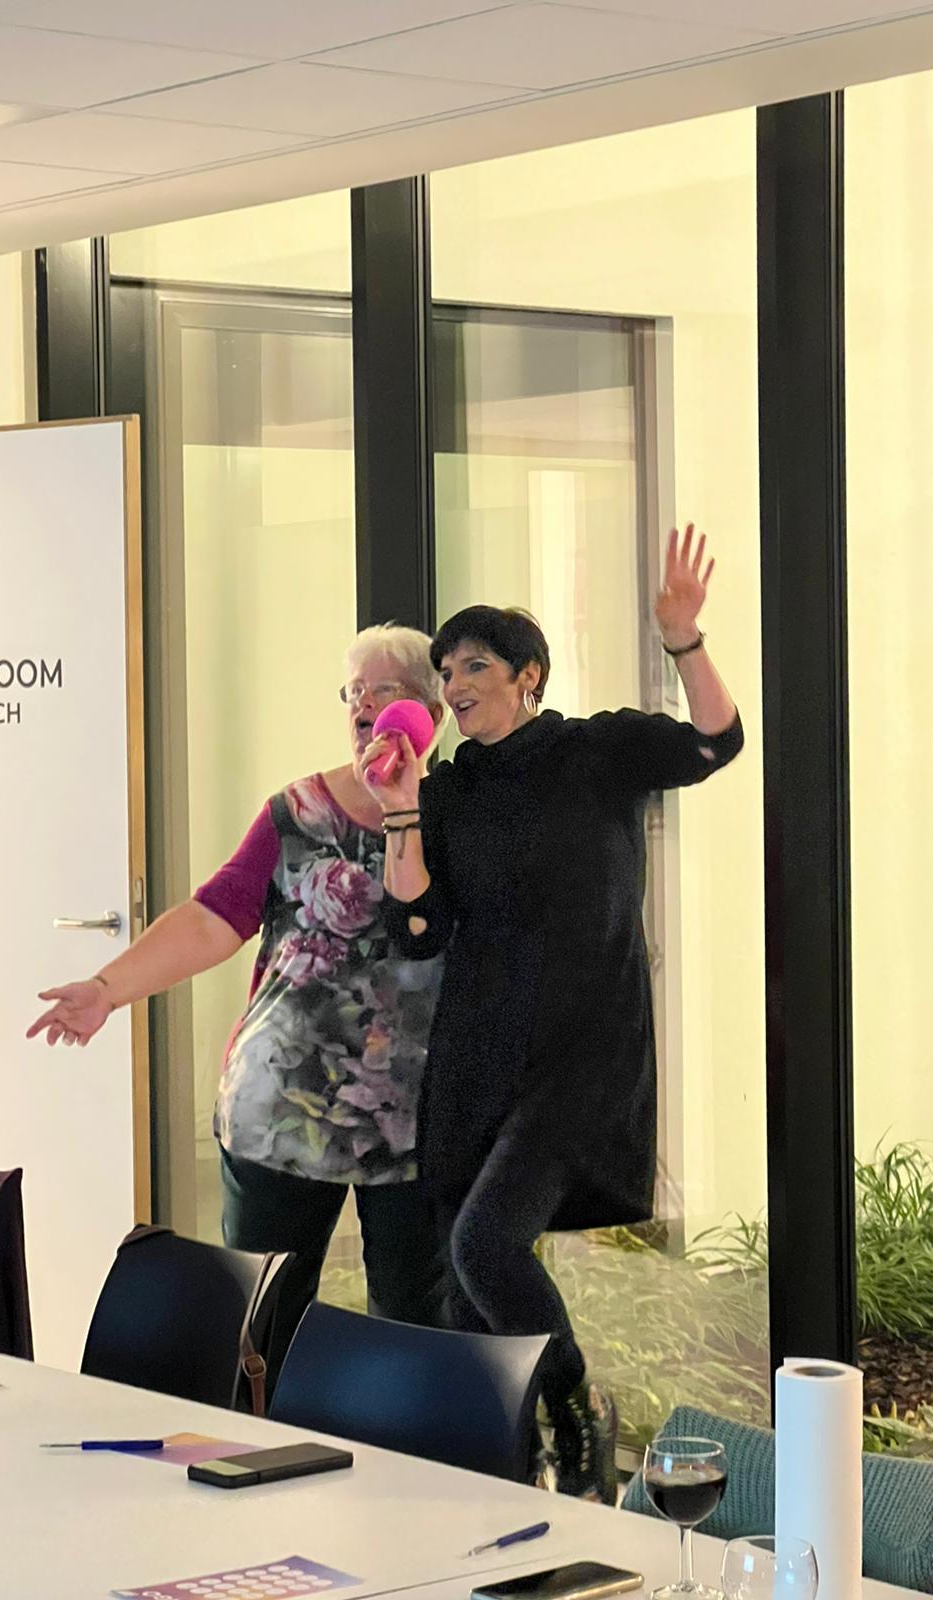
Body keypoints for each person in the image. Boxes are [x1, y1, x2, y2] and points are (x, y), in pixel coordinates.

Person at [366, 526, 744, 1504]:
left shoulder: (596, 751)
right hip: (477, 1055)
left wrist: (684, 639)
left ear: (527, 675)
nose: (454, 684)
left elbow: (716, 741)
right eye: (447, 670)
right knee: (465, 1294)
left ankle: (577, 1412)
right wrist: (402, 806)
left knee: (484, 1245)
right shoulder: (447, 790)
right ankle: (501, 1483)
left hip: (584, 1057)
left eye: (475, 665)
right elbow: (416, 929)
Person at [27, 625, 450, 1385]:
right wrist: (108, 989)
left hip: (416, 1116)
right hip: (281, 1103)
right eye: (353, 692)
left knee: (413, 1328)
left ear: (430, 713)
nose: (364, 707)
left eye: (384, 691)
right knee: (263, 1330)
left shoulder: (460, 819)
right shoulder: (297, 812)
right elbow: (214, 915)